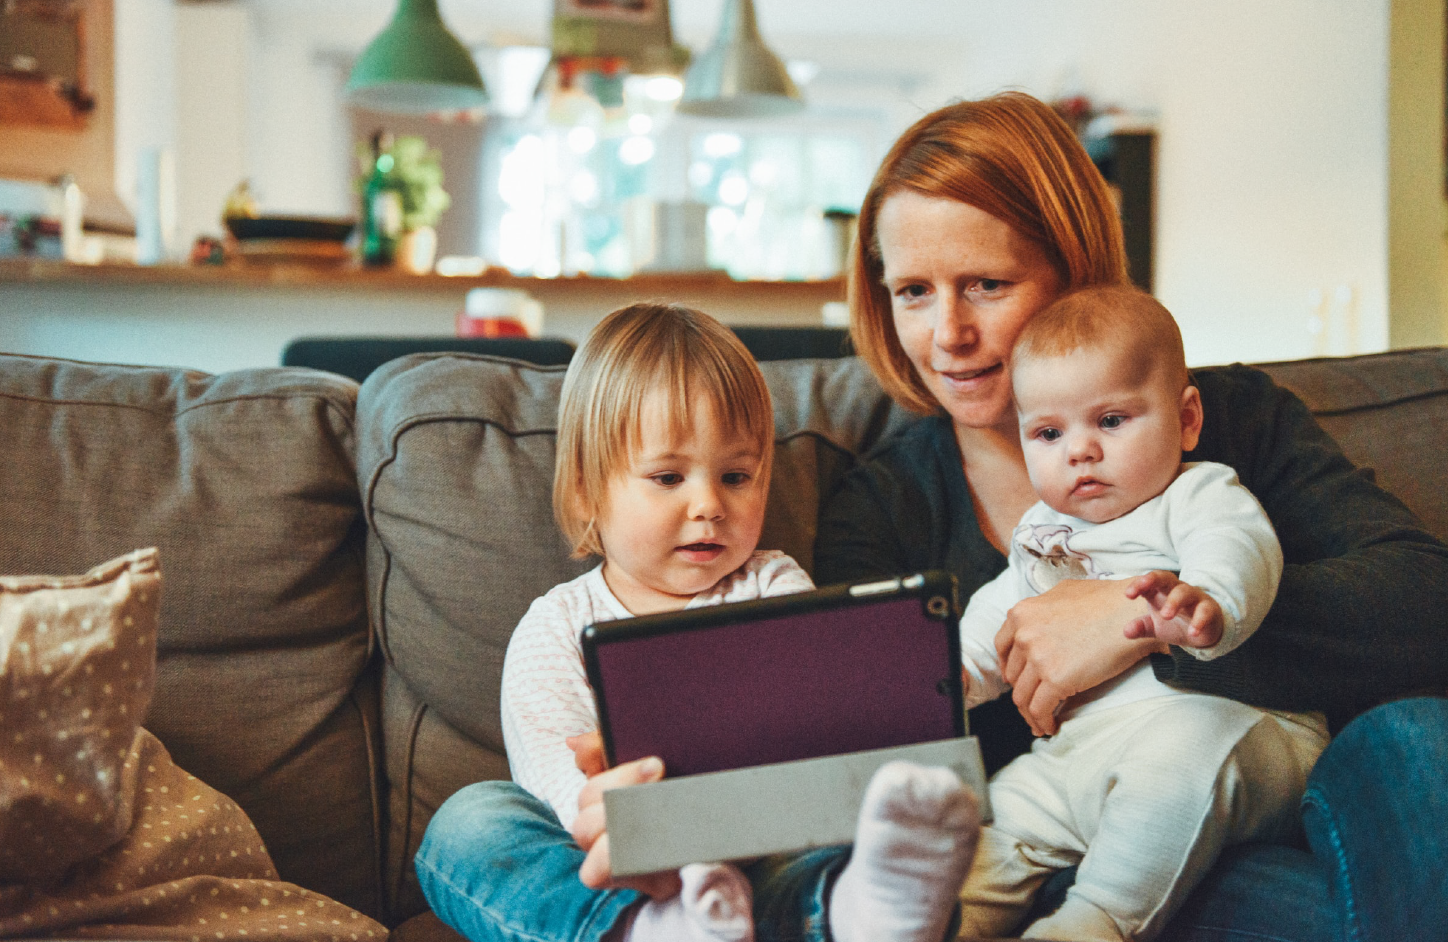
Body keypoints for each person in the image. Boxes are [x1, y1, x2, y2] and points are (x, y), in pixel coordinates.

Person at [814, 91, 1448, 940]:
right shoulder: (883, 504)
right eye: (914, 293)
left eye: (987, 285)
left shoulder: (1227, 422)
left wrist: (1138, 616)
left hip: (1275, 803)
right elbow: (876, 747)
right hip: (1053, 855)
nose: (948, 334)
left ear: (1074, 269)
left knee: (1417, 735)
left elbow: (1422, 604)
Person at [414, 303, 982, 942]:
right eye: (668, 477)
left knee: (856, 842)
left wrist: (899, 692)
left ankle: (861, 914)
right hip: (624, 866)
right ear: (585, 492)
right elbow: (561, 794)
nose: (709, 505)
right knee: (469, 822)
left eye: (736, 476)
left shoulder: (773, 585)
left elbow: (820, 729)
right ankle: (650, 929)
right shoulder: (554, 628)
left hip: (765, 853)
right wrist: (647, 829)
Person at [948, 284, 1327, 941]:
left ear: (1185, 420)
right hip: (1081, 755)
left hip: (1230, 732)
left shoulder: (1196, 492)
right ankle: (946, 920)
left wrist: (1209, 601)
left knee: (1175, 764)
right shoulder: (1044, 530)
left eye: (1112, 421)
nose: (1080, 451)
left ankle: (1095, 921)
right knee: (1000, 813)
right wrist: (949, 676)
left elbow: (1238, 546)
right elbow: (1000, 615)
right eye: (1048, 432)